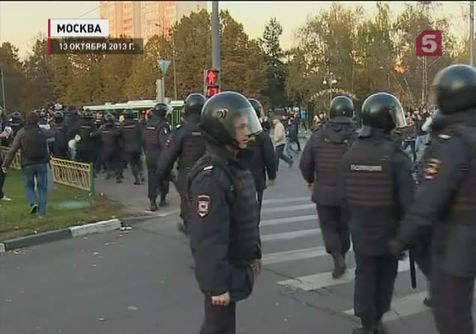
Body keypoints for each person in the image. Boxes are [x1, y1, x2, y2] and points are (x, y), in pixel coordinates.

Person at [390, 64, 476, 334]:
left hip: (456, 243)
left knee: (452, 318)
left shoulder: (452, 142)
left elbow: (429, 198)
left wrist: (402, 238)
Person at [337, 92, 415, 334]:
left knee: (365, 274)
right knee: (384, 277)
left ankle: (366, 322)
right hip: (389, 232)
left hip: (360, 229)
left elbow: (343, 194)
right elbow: (409, 201)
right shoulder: (396, 157)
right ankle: (376, 320)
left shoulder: (351, 153)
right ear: (386, 119)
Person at [188, 91, 262, 334]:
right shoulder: (212, 177)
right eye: (240, 127)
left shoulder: (233, 165)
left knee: (222, 327)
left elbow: (244, 217)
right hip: (223, 270)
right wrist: (217, 285)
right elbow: (208, 237)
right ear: (222, 130)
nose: (247, 132)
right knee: (217, 328)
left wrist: (254, 252)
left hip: (233, 263)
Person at [300, 95, 357, 279]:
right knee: (344, 226)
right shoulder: (356, 137)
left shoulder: (318, 136)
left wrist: (310, 179)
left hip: (324, 192)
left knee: (328, 227)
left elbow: (305, 163)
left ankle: (337, 256)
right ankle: (342, 250)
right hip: (349, 193)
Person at [158, 93, 207, 235]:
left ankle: (194, 235)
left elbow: (166, 157)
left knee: (188, 206)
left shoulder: (182, 130)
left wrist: (165, 174)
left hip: (188, 176)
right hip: (210, 174)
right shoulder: (211, 129)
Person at [2, 111, 53, 217]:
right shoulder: (42, 131)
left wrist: (5, 165)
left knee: (29, 186)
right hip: (41, 163)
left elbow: (12, 150)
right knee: (42, 188)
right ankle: (42, 214)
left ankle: (33, 202)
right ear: (37, 120)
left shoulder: (22, 132)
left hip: (27, 164)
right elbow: (50, 139)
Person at [245, 98, 277, 213]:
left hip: (237, 179)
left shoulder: (236, 132)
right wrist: (272, 175)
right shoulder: (261, 135)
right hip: (257, 179)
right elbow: (270, 157)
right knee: (255, 210)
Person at [143, 103, 171, 211]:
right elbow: (164, 142)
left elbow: (144, 139)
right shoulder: (163, 125)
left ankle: (152, 202)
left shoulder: (148, 123)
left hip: (149, 155)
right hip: (160, 156)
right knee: (164, 178)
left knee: (152, 179)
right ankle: (162, 199)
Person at [120, 110, 145, 185]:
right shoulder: (137, 124)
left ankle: (137, 179)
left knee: (132, 164)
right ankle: (141, 174)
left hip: (128, 148)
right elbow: (142, 135)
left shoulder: (122, 125)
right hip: (137, 147)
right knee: (139, 162)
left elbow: (121, 137)